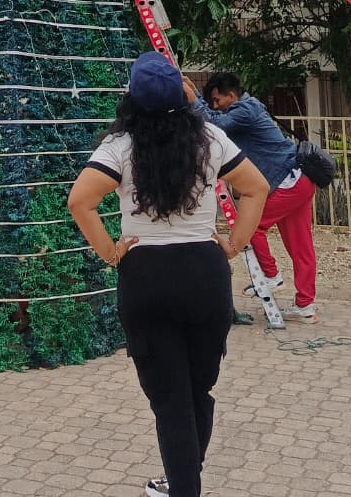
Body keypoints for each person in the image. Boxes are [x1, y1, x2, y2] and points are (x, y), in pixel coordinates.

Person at [68, 51, 269, 497]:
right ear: (182, 95)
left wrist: (111, 252)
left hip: (147, 276)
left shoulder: (120, 146)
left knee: (170, 399)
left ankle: (183, 486)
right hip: (204, 273)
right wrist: (234, 243)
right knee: (198, 391)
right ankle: (184, 480)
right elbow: (257, 187)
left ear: (132, 98)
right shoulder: (211, 138)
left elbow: (80, 201)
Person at [185, 71, 318, 323]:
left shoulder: (246, 110)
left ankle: (271, 276)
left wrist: (193, 100)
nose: (215, 106)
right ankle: (306, 305)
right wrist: (196, 95)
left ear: (231, 95)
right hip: (297, 180)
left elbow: (214, 125)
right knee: (301, 246)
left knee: (249, 226)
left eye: (217, 100)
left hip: (286, 182)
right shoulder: (245, 108)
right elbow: (214, 117)